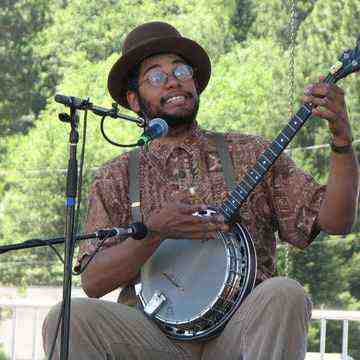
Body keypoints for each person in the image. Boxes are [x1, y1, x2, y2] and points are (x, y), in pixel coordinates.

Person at [42, 21, 359, 360]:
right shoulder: (115, 176)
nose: (174, 80)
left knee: (285, 292)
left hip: (241, 332)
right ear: (134, 100)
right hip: (154, 339)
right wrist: (153, 234)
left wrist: (342, 139)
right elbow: (93, 282)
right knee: (66, 319)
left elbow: (336, 221)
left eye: (181, 70)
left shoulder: (250, 152)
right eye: (156, 76)